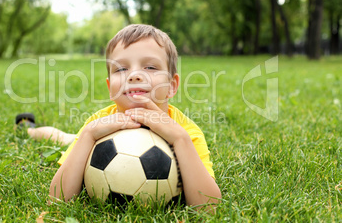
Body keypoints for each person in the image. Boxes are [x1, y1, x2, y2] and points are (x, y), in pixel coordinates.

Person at [22, 24, 221, 211]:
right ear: (110, 88)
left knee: (67, 137)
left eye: (150, 67)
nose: (134, 75)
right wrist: (88, 136)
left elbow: (209, 207)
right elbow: (58, 200)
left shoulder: (186, 132)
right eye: (121, 69)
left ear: (172, 86)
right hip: (90, 132)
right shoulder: (97, 124)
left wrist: (180, 139)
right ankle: (28, 128)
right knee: (64, 138)